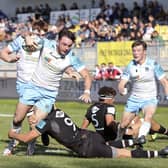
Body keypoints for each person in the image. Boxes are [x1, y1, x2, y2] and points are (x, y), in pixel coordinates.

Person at [1, 28, 92, 155]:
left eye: (69, 46)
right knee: (17, 119)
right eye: (64, 44)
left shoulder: (71, 57)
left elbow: (87, 75)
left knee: (35, 122)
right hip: (32, 88)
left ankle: (27, 146)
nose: (66, 48)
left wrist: (87, 91)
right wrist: (27, 37)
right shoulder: (46, 43)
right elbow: (27, 32)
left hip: (48, 95)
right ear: (58, 41)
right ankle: (16, 142)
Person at [8, 107, 168, 158]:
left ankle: (159, 153)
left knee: (124, 154)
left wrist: (13, 134)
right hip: (89, 135)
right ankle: (136, 141)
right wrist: (41, 129)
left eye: (31, 115)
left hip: (86, 147)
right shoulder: (56, 112)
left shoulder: (45, 123)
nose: (30, 119)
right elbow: (47, 133)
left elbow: (27, 138)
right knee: (110, 143)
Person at [116, 40, 168, 141]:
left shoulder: (153, 64)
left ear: (145, 51)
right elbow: (121, 83)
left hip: (150, 98)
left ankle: (141, 137)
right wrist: (121, 90)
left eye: (138, 50)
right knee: (123, 125)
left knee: (148, 116)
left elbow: (165, 82)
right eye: (134, 51)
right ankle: (118, 140)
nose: (136, 53)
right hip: (134, 99)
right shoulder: (130, 66)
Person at [81, 86, 168, 141]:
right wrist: (124, 130)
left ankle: (152, 131)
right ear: (109, 98)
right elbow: (109, 123)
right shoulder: (109, 107)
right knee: (145, 120)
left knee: (135, 118)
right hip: (115, 137)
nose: (114, 100)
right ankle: (164, 132)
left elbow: (83, 128)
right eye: (113, 98)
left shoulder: (91, 108)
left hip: (103, 137)